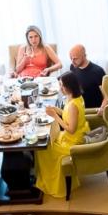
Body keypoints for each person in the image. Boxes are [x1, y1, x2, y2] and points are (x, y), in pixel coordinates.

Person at [34, 71, 89, 199]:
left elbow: (71, 129)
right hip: (71, 136)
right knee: (46, 142)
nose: (60, 88)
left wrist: (55, 116)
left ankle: (49, 181)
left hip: (73, 141)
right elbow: (67, 113)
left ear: (70, 86)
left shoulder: (73, 105)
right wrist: (56, 109)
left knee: (44, 149)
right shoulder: (75, 97)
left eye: (62, 85)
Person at [68, 44, 108, 111]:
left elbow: (107, 96)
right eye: (71, 58)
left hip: (92, 110)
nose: (72, 62)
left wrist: (102, 107)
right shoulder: (73, 67)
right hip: (78, 106)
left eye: (75, 58)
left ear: (84, 56)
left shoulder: (98, 71)